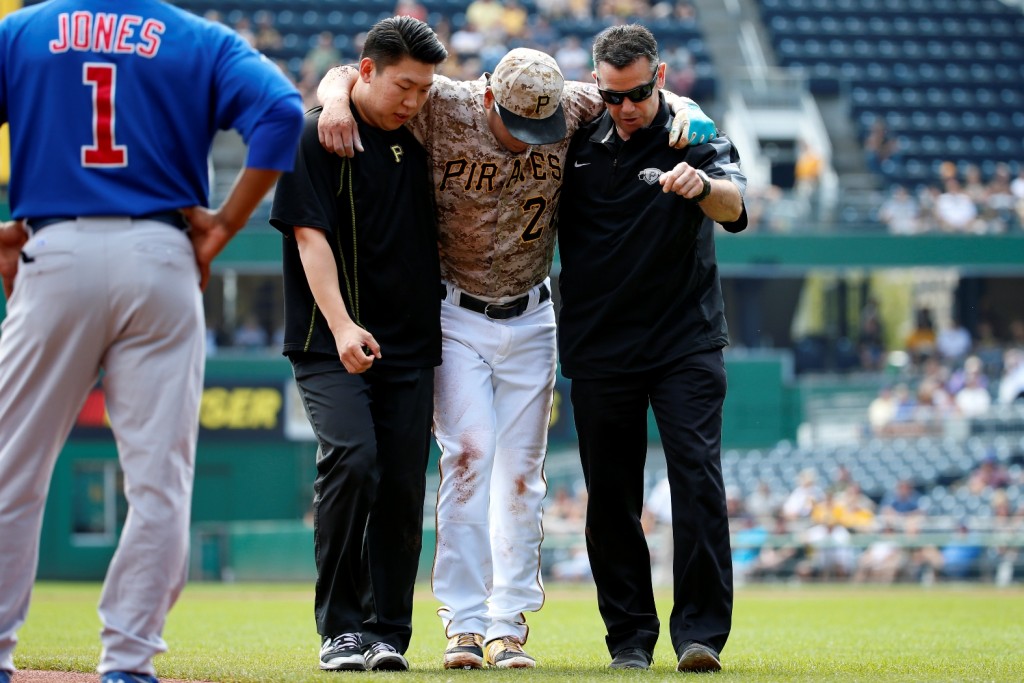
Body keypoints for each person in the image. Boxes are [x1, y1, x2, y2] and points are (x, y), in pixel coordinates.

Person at [315, 46, 718, 670]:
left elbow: (640, 95)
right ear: (487, 97)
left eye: (544, 128)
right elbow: (356, 74)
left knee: (524, 474)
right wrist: (337, 98)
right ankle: (463, 623)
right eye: (518, 125)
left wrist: (687, 105)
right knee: (469, 452)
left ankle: (508, 624)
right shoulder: (443, 103)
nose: (533, 141)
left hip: (532, 314)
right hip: (454, 311)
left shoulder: (573, 102)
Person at [0, 2, 304, 682]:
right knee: (159, 482)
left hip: (55, 249)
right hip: (161, 255)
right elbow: (283, 112)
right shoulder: (198, 38)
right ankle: (130, 660)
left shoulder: (20, 31)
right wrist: (224, 225)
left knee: (9, 469)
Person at [556, 24, 747, 673]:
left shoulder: (695, 134)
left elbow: (735, 204)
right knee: (610, 495)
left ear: (660, 78)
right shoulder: (575, 138)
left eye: (637, 92)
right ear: (596, 86)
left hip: (683, 338)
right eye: (612, 95)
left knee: (696, 476)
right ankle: (629, 637)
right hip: (599, 342)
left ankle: (700, 634)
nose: (625, 107)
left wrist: (699, 185)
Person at [269, 16, 448, 673]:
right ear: (367, 71)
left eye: (425, 89)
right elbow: (308, 237)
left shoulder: (421, 132)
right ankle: (340, 627)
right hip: (327, 339)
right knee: (352, 458)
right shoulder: (316, 134)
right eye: (404, 85)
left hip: (411, 344)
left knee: (403, 486)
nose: (415, 100)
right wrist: (344, 326)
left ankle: (386, 633)